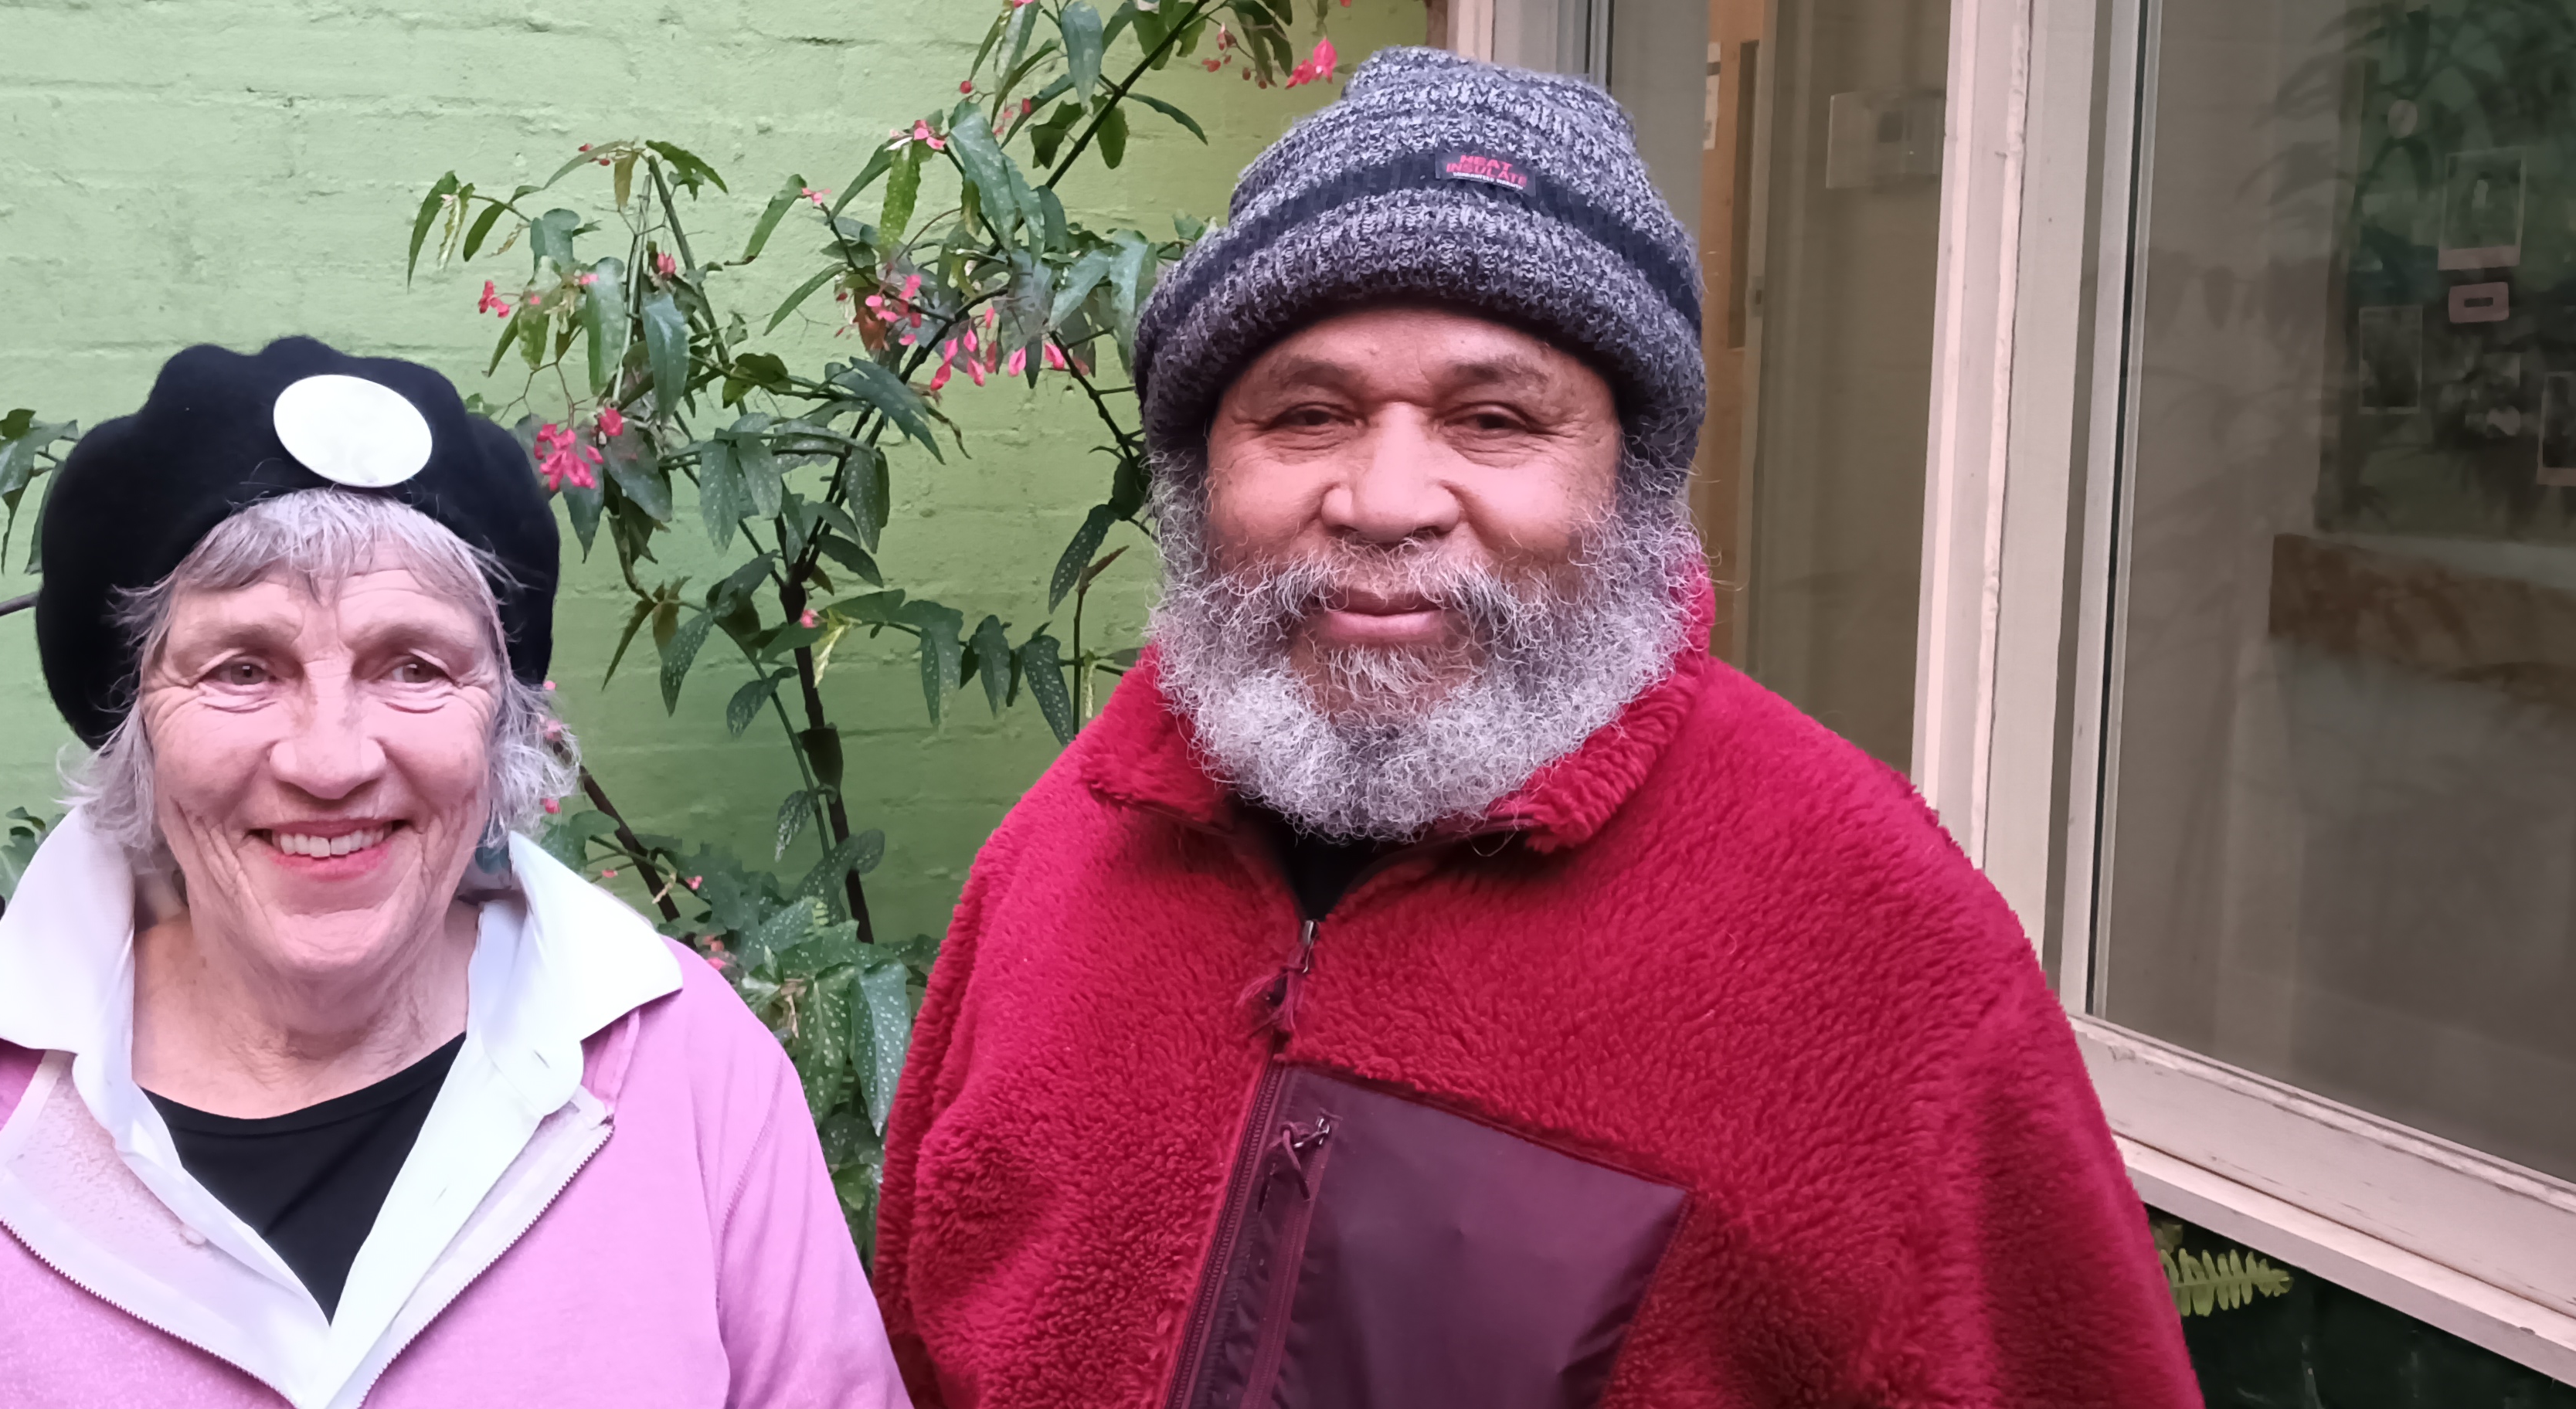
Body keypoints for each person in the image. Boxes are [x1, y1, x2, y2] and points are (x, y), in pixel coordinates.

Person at [870, 49, 2198, 1407]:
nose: (1386, 500)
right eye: (1307, 415)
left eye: (1494, 419)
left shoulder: (1863, 932)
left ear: (1629, 482)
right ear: (1203, 476)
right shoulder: (1072, 845)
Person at [0, 338, 909, 1409]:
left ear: (504, 730)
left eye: (414, 666)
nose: (330, 759)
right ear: (137, 730)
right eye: (241, 668)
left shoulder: (691, 1074)